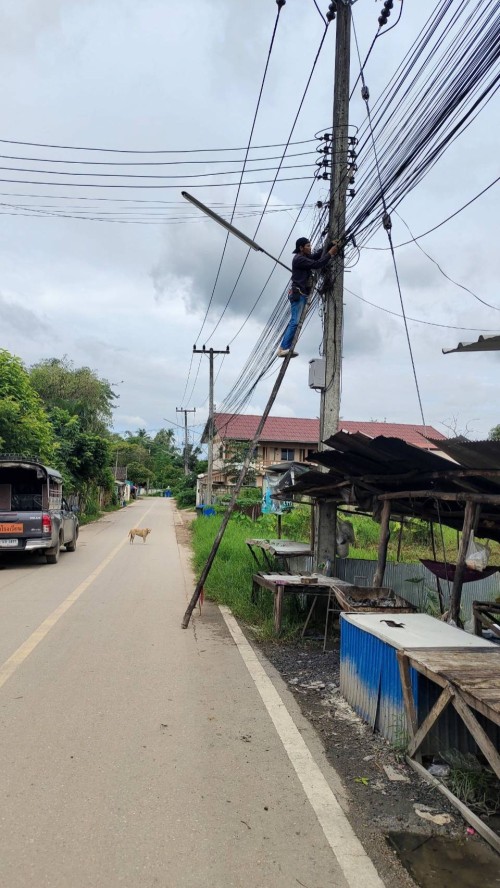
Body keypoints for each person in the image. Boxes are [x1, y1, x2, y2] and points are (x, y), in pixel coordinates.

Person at [277, 236, 339, 357]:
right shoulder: (299, 259)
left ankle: (286, 347)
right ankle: (282, 349)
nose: (310, 248)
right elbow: (317, 264)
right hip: (298, 293)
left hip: (301, 294)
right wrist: (330, 254)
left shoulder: (304, 257)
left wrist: (329, 244)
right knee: (295, 322)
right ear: (301, 248)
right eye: (308, 246)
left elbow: (316, 256)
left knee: (296, 322)